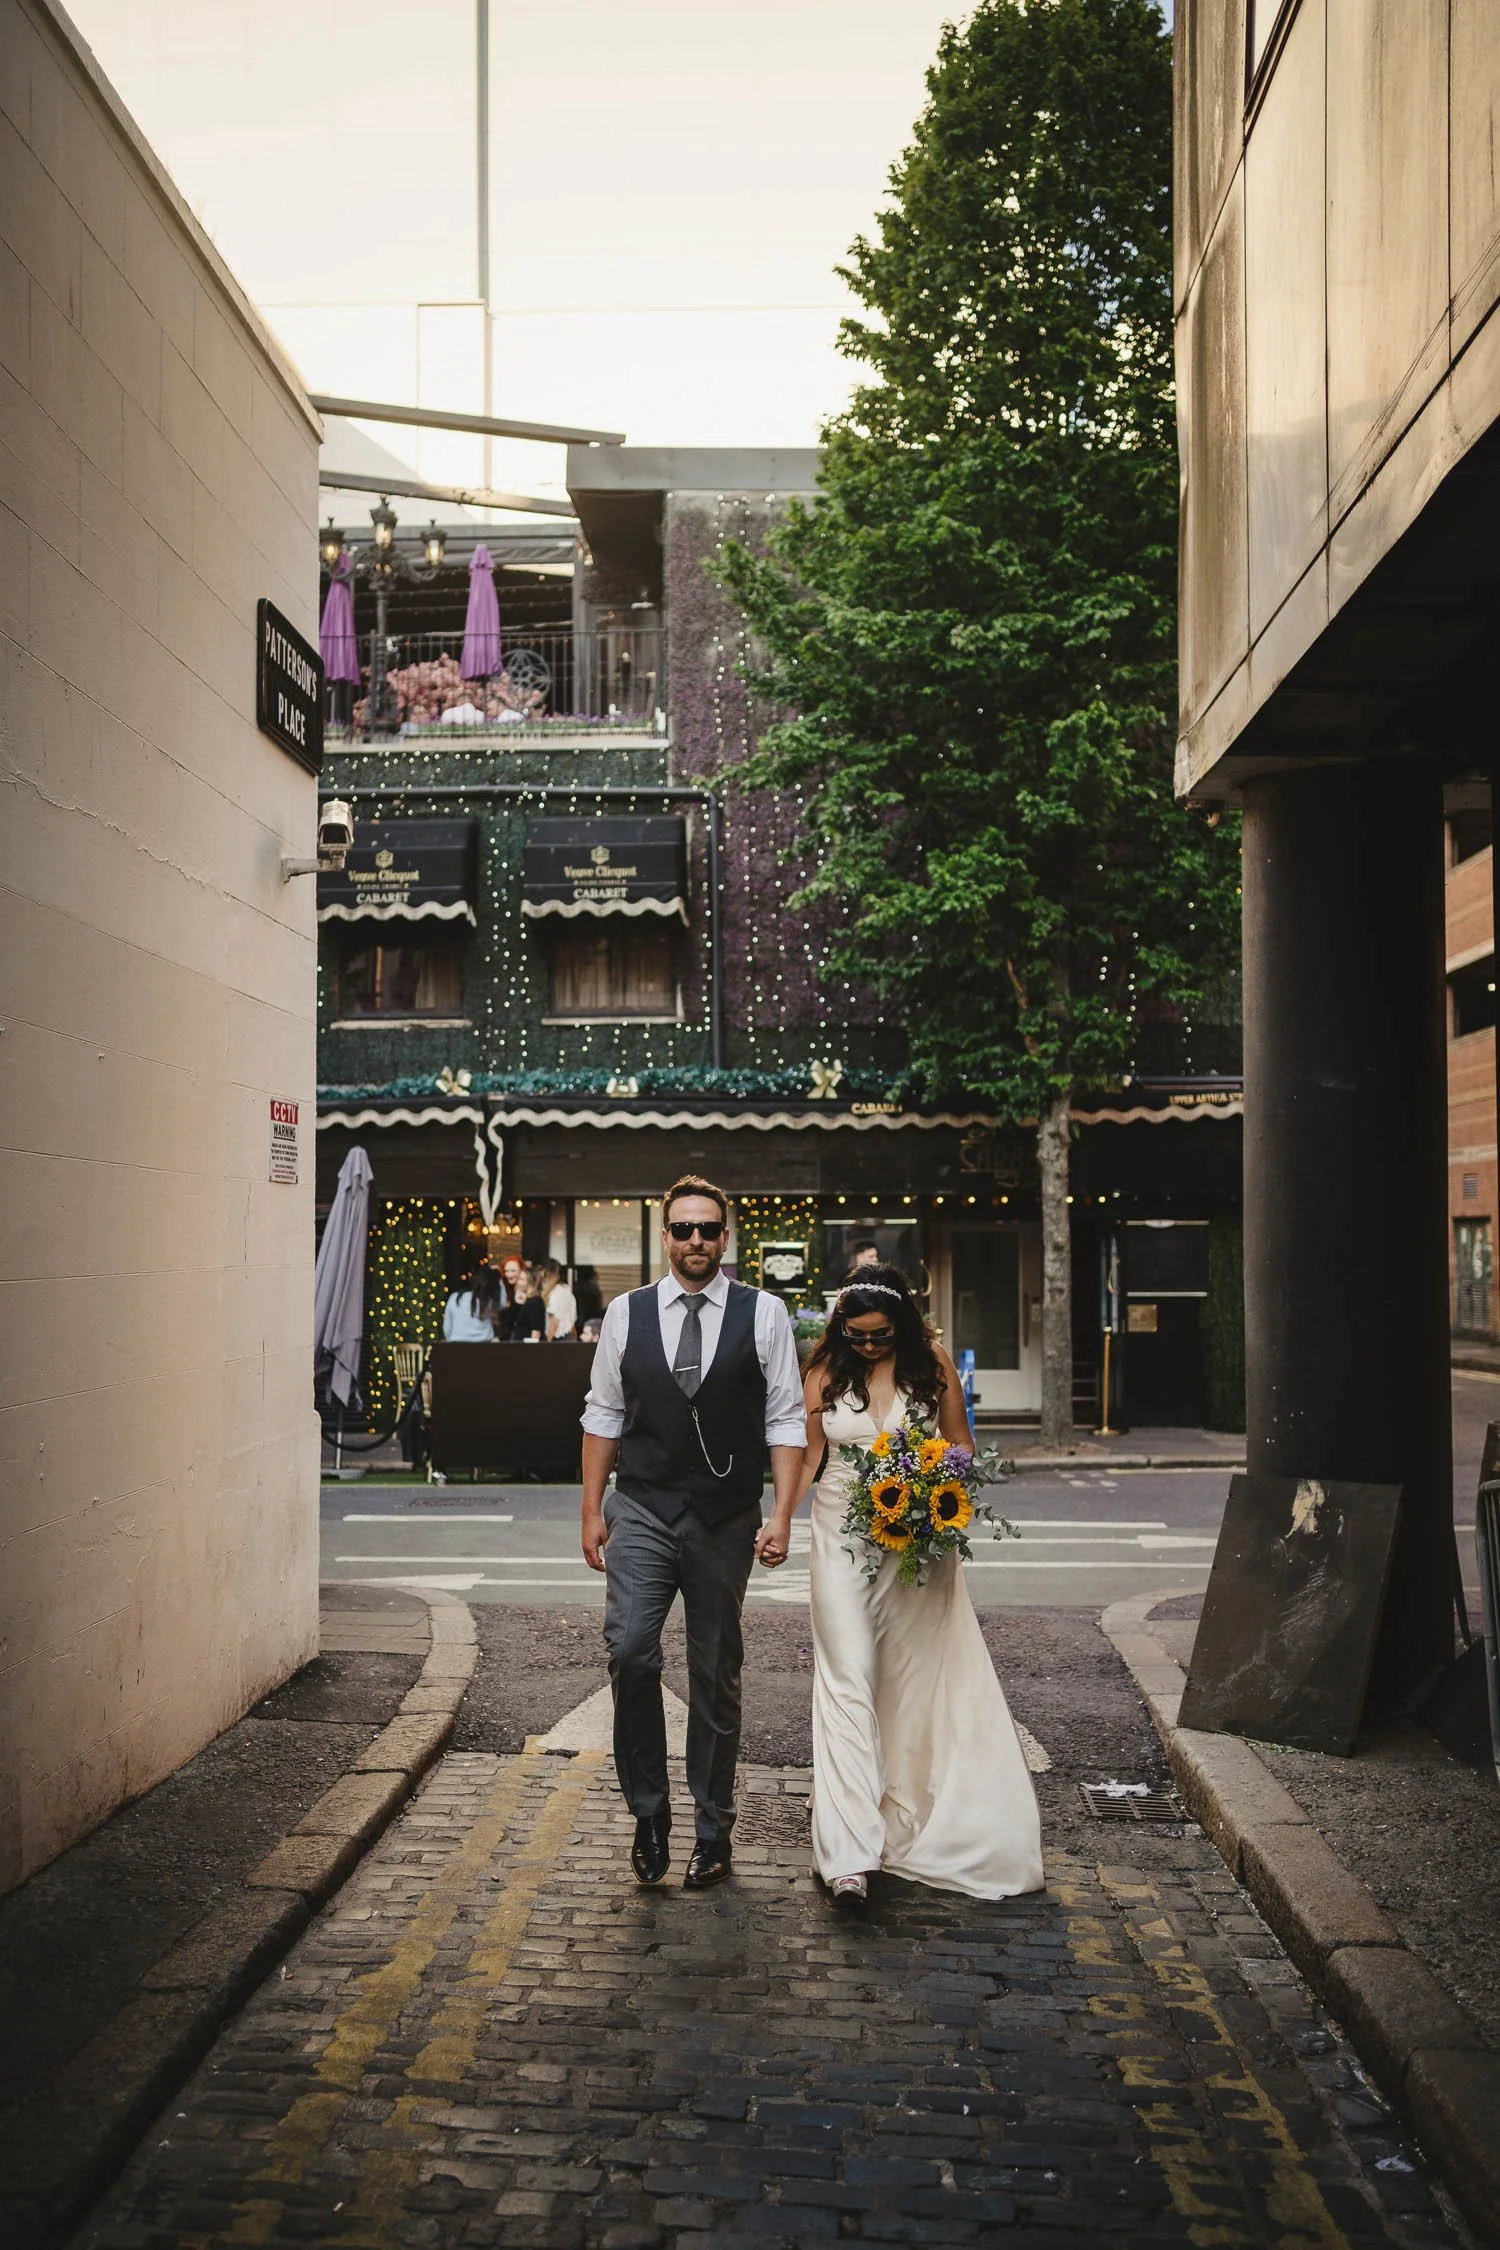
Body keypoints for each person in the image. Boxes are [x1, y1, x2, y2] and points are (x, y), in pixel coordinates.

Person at [757, 1263, 1043, 1908]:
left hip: (917, 1551)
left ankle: (907, 1811)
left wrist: (937, 1488)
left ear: (904, 1326)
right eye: (856, 1335)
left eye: (880, 1335)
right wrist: (779, 1521)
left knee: (911, 1688)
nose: (867, 1347)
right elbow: (804, 1458)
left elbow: (962, 1446)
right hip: (840, 1542)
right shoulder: (822, 1370)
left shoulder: (932, 1362)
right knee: (847, 1680)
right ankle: (848, 1855)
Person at [580, 1176, 806, 1891]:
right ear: (665, 1236)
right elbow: (603, 1413)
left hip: (724, 1515)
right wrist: (591, 1509)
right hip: (641, 1507)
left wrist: (782, 1513)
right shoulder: (626, 1313)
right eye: (683, 1230)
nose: (697, 1242)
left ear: (726, 1237)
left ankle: (713, 1829)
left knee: (715, 1674)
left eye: (709, 1230)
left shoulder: (764, 1313)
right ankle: (650, 1814)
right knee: (632, 1653)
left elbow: (787, 1419)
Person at [441, 1264, 502, 1341]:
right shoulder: (490, 1300)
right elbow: (502, 1300)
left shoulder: (455, 1297)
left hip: (457, 1345)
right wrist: (498, 1277)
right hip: (484, 1346)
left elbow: (447, 1328)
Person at [501, 1265, 545, 1342]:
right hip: (517, 1342)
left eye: (522, 1279)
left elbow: (536, 1331)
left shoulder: (535, 1302)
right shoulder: (519, 1298)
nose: (518, 1282)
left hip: (526, 1347)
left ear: (531, 1282)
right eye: (518, 1279)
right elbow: (512, 1321)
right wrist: (517, 1302)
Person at [540, 1260, 578, 1341]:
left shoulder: (555, 1293)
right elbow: (572, 1322)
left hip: (557, 1339)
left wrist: (547, 1343)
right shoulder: (567, 1291)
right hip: (569, 1337)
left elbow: (554, 1322)